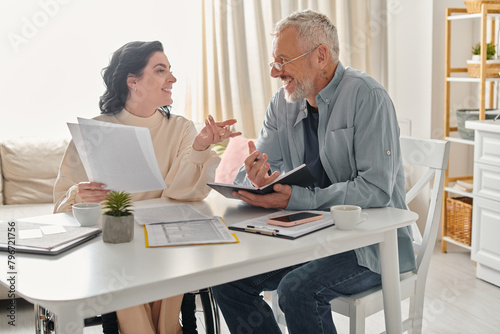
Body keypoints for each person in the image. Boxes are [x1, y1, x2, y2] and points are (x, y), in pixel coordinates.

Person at [212, 10, 417, 334]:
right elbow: (266, 165)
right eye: (273, 60)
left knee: (298, 291)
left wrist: (297, 198)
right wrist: (257, 177)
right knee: (227, 280)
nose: (274, 71)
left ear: (320, 55)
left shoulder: (367, 96)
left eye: (282, 59)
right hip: (305, 238)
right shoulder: (282, 103)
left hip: (369, 246)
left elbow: (376, 189)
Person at [53, 41, 241, 334]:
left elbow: (185, 192)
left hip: (168, 241)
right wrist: (80, 194)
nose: (173, 79)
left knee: (166, 257)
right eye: (160, 70)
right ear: (133, 81)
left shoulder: (182, 128)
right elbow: (60, 209)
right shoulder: (94, 131)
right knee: (125, 261)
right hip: (115, 247)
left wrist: (201, 147)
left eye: (170, 70)